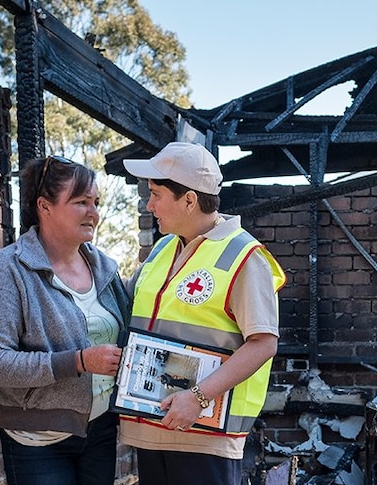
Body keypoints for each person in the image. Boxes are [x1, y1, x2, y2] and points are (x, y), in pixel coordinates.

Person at [121, 142, 286, 485]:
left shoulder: (244, 256)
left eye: (156, 194)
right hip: (153, 428)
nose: (149, 205)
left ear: (189, 199)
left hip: (204, 436)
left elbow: (263, 344)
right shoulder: (164, 247)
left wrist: (198, 398)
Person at [0, 155, 130, 485]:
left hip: (100, 430)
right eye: (81, 202)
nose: (93, 213)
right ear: (44, 206)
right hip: (37, 441)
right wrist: (78, 361)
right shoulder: (7, 271)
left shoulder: (106, 269)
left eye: (96, 202)